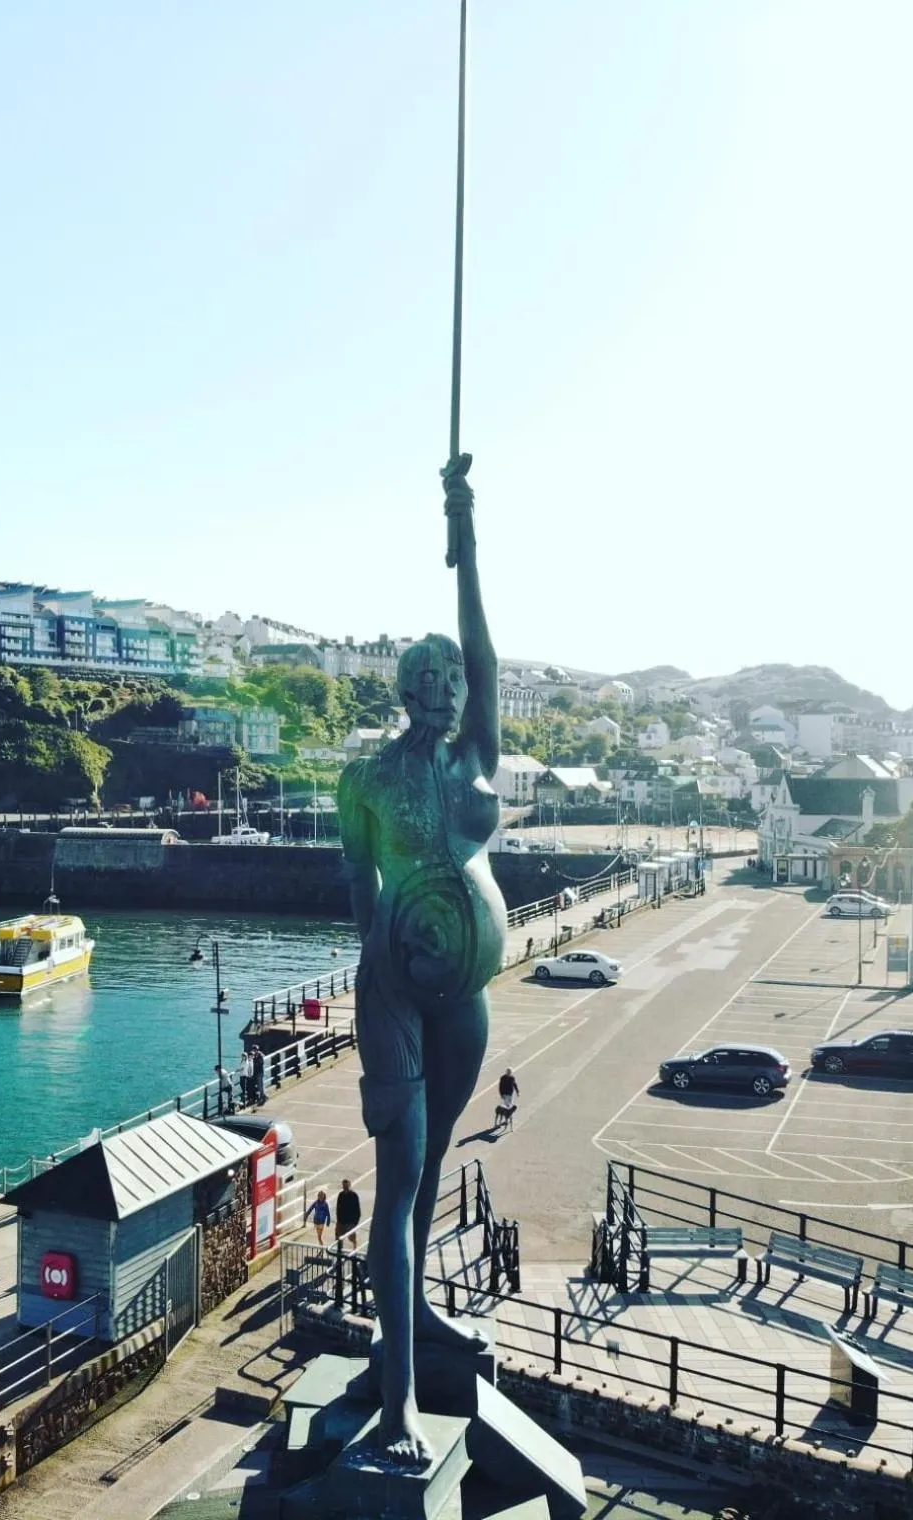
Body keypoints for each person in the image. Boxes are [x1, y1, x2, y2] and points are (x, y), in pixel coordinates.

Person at [338, 455, 498, 1464]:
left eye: (452, 677)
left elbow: (489, 648)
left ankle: (417, 1311)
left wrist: (466, 532)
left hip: (466, 991)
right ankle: (394, 1403)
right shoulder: (363, 776)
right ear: (403, 690)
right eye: (427, 677)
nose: (444, 686)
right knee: (397, 1178)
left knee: (433, 1166)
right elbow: (360, 901)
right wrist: (392, 972)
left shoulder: (479, 753)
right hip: (397, 985)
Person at [334, 1178, 362, 1252]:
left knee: (352, 1238)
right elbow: (338, 1208)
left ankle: (355, 1250)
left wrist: (355, 1222)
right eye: (344, 1186)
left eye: (346, 1186)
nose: (345, 1188)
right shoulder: (340, 1195)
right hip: (341, 1221)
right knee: (339, 1238)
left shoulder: (354, 1195)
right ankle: (339, 1252)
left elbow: (357, 1210)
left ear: (349, 1185)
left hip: (350, 1222)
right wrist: (338, 1221)